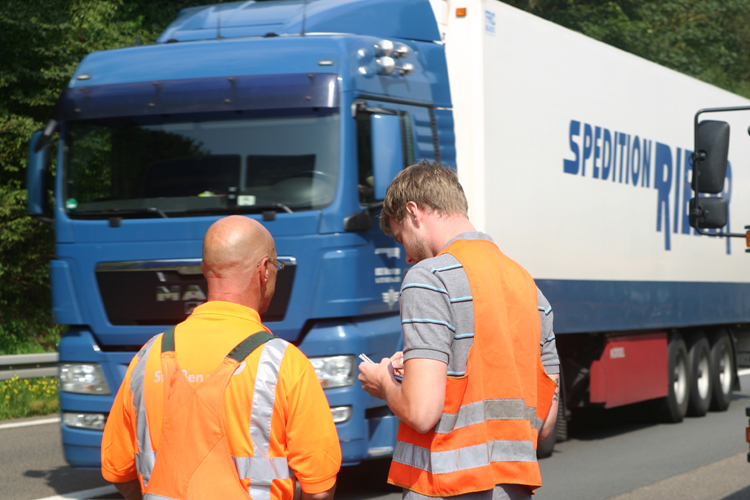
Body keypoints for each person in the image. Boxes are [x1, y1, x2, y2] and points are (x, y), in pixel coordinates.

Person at [358, 161, 560, 500]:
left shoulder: (429, 278)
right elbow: (546, 421)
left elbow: (422, 413)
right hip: (512, 488)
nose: (406, 255)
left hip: (446, 487)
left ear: (414, 212)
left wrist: (384, 385)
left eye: (400, 237)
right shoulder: (529, 288)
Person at [102, 215, 341, 500]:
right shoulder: (285, 363)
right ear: (264, 270)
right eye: (276, 266)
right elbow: (319, 488)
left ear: (205, 270)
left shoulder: (148, 356)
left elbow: (118, 470)